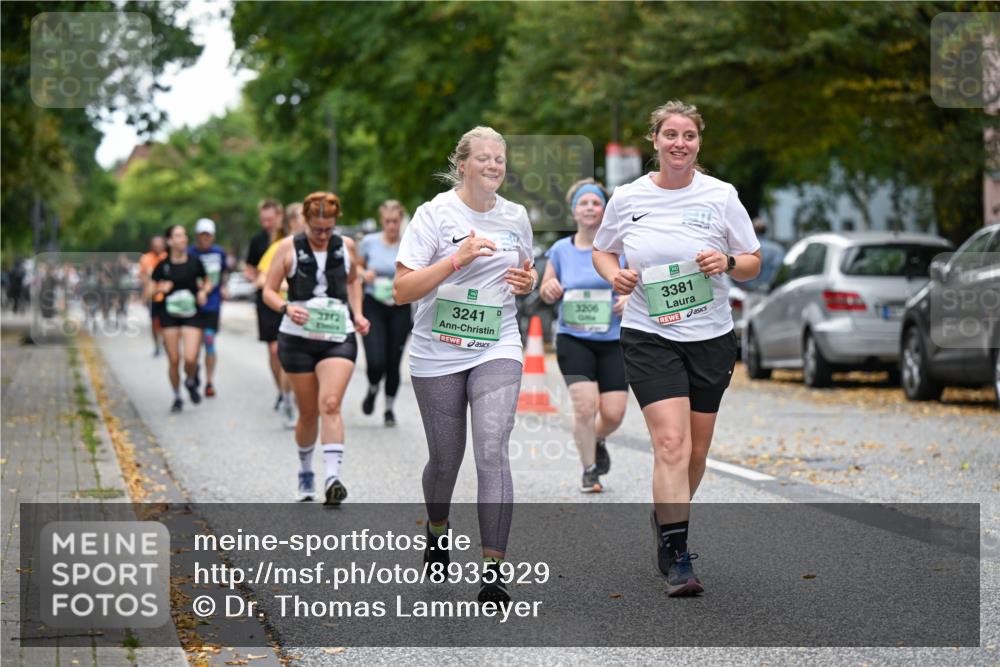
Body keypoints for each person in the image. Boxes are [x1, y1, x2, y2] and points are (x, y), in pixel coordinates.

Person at [592, 101, 760, 597]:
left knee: (695, 453)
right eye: (670, 134)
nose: (679, 143)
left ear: (698, 143)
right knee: (671, 444)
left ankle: (667, 517)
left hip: (710, 337)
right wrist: (615, 275)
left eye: (688, 135)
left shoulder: (721, 195)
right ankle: (678, 554)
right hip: (649, 334)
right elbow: (603, 249)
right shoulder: (628, 197)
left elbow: (752, 261)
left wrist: (727, 261)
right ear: (656, 140)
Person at [394, 126, 536, 604]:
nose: (494, 165)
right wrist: (456, 260)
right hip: (437, 351)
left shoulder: (516, 216)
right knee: (446, 459)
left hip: (497, 343)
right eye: (484, 158)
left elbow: (526, 269)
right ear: (462, 165)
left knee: (492, 450)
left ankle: (493, 571)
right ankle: (437, 529)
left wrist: (527, 280)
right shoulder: (433, 214)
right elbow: (402, 290)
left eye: (500, 158)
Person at [262, 192, 370, 506]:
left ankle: (332, 478)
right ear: (305, 222)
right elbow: (268, 291)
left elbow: (353, 281)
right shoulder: (287, 248)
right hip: (298, 339)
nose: (323, 235)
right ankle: (306, 470)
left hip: (338, 335)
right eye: (316, 229)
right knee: (308, 413)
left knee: (331, 403)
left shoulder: (346, 246)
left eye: (328, 229)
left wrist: (358, 313)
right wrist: (286, 307)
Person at [539, 179, 628, 493]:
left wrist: (629, 298)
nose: (590, 207)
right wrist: (549, 289)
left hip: (614, 339)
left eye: (596, 202)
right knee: (585, 407)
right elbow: (546, 289)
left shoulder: (619, 249)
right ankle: (589, 469)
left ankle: (597, 437)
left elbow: (636, 284)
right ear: (574, 210)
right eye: (584, 203)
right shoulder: (561, 250)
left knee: (614, 413)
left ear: (605, 210)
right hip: (573, 339)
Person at [358, 199, 412, 427]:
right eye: (388, 221)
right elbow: (356, 267)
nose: (392, 226)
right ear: (382, 221)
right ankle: (373, 388)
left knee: (393, 361)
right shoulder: (369, 242)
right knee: (376, 360)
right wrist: (364, 274)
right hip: (374, 304)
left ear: (400, 221)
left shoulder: (409, 244)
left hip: (399, 306)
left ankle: (389, 409)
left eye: (395, 221)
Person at [152, 224, 213, 413]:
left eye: (184, 235)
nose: (183, 239)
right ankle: (177, 396)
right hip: (169, 315)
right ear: (170, 241)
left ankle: (191, 379)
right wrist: (159, 289)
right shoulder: (162, 266)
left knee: (190, 358)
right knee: (174, 360)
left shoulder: (195, 262)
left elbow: (207, 282)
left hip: (192, 314)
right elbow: (149, 291)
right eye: (178, 236)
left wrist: (203, 292)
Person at [245, 199, 286, 412]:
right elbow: (249, 268)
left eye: (270, 219)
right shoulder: (257, 240)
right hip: (266, 300)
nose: (266, 224)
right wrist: (258, 279)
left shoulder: (289, 237)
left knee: (288, 348)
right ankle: (282, 391)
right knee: (274, 349)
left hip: (289, 298)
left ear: (279, 216)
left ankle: (292, 389)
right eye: (263, 220)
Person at [257, 211, 296, 428]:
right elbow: (261, 280)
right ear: (292, 223)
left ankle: (296, 396)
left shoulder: (322, 246)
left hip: (310, 312)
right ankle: (285, 395)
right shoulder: (280, 247)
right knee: (280, 353)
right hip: (279, 308)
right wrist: (285, 286)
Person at [190, 219, 228, 398]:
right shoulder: (190, 253)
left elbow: (223, 273)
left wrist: (224, 287)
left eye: (209, 235)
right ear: (197, 236)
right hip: (193, 306)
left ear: (213, 236)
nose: (205, 238)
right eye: (202, 234)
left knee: (209, 341)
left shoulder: (219, 252)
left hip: (212, 304)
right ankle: (194, 369)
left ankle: (210, 382)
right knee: (194, 346)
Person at [736, 218, 784, 291]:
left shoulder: (743, 249)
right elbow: (780, 271)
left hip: (748, 291)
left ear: (752, 230)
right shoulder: (777, 249)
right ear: (766, 230)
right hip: (770, 291)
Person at [140, 236, 168, 356]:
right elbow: (143, 277)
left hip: (166, 297)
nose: (157, 247)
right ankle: (157, 345)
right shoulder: (146, 259)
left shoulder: (167, 257)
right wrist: (145, 295)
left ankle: (166, 343)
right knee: (154, 322)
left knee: (166, 322)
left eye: (159, 245)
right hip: (153, 297)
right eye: (155, 245)